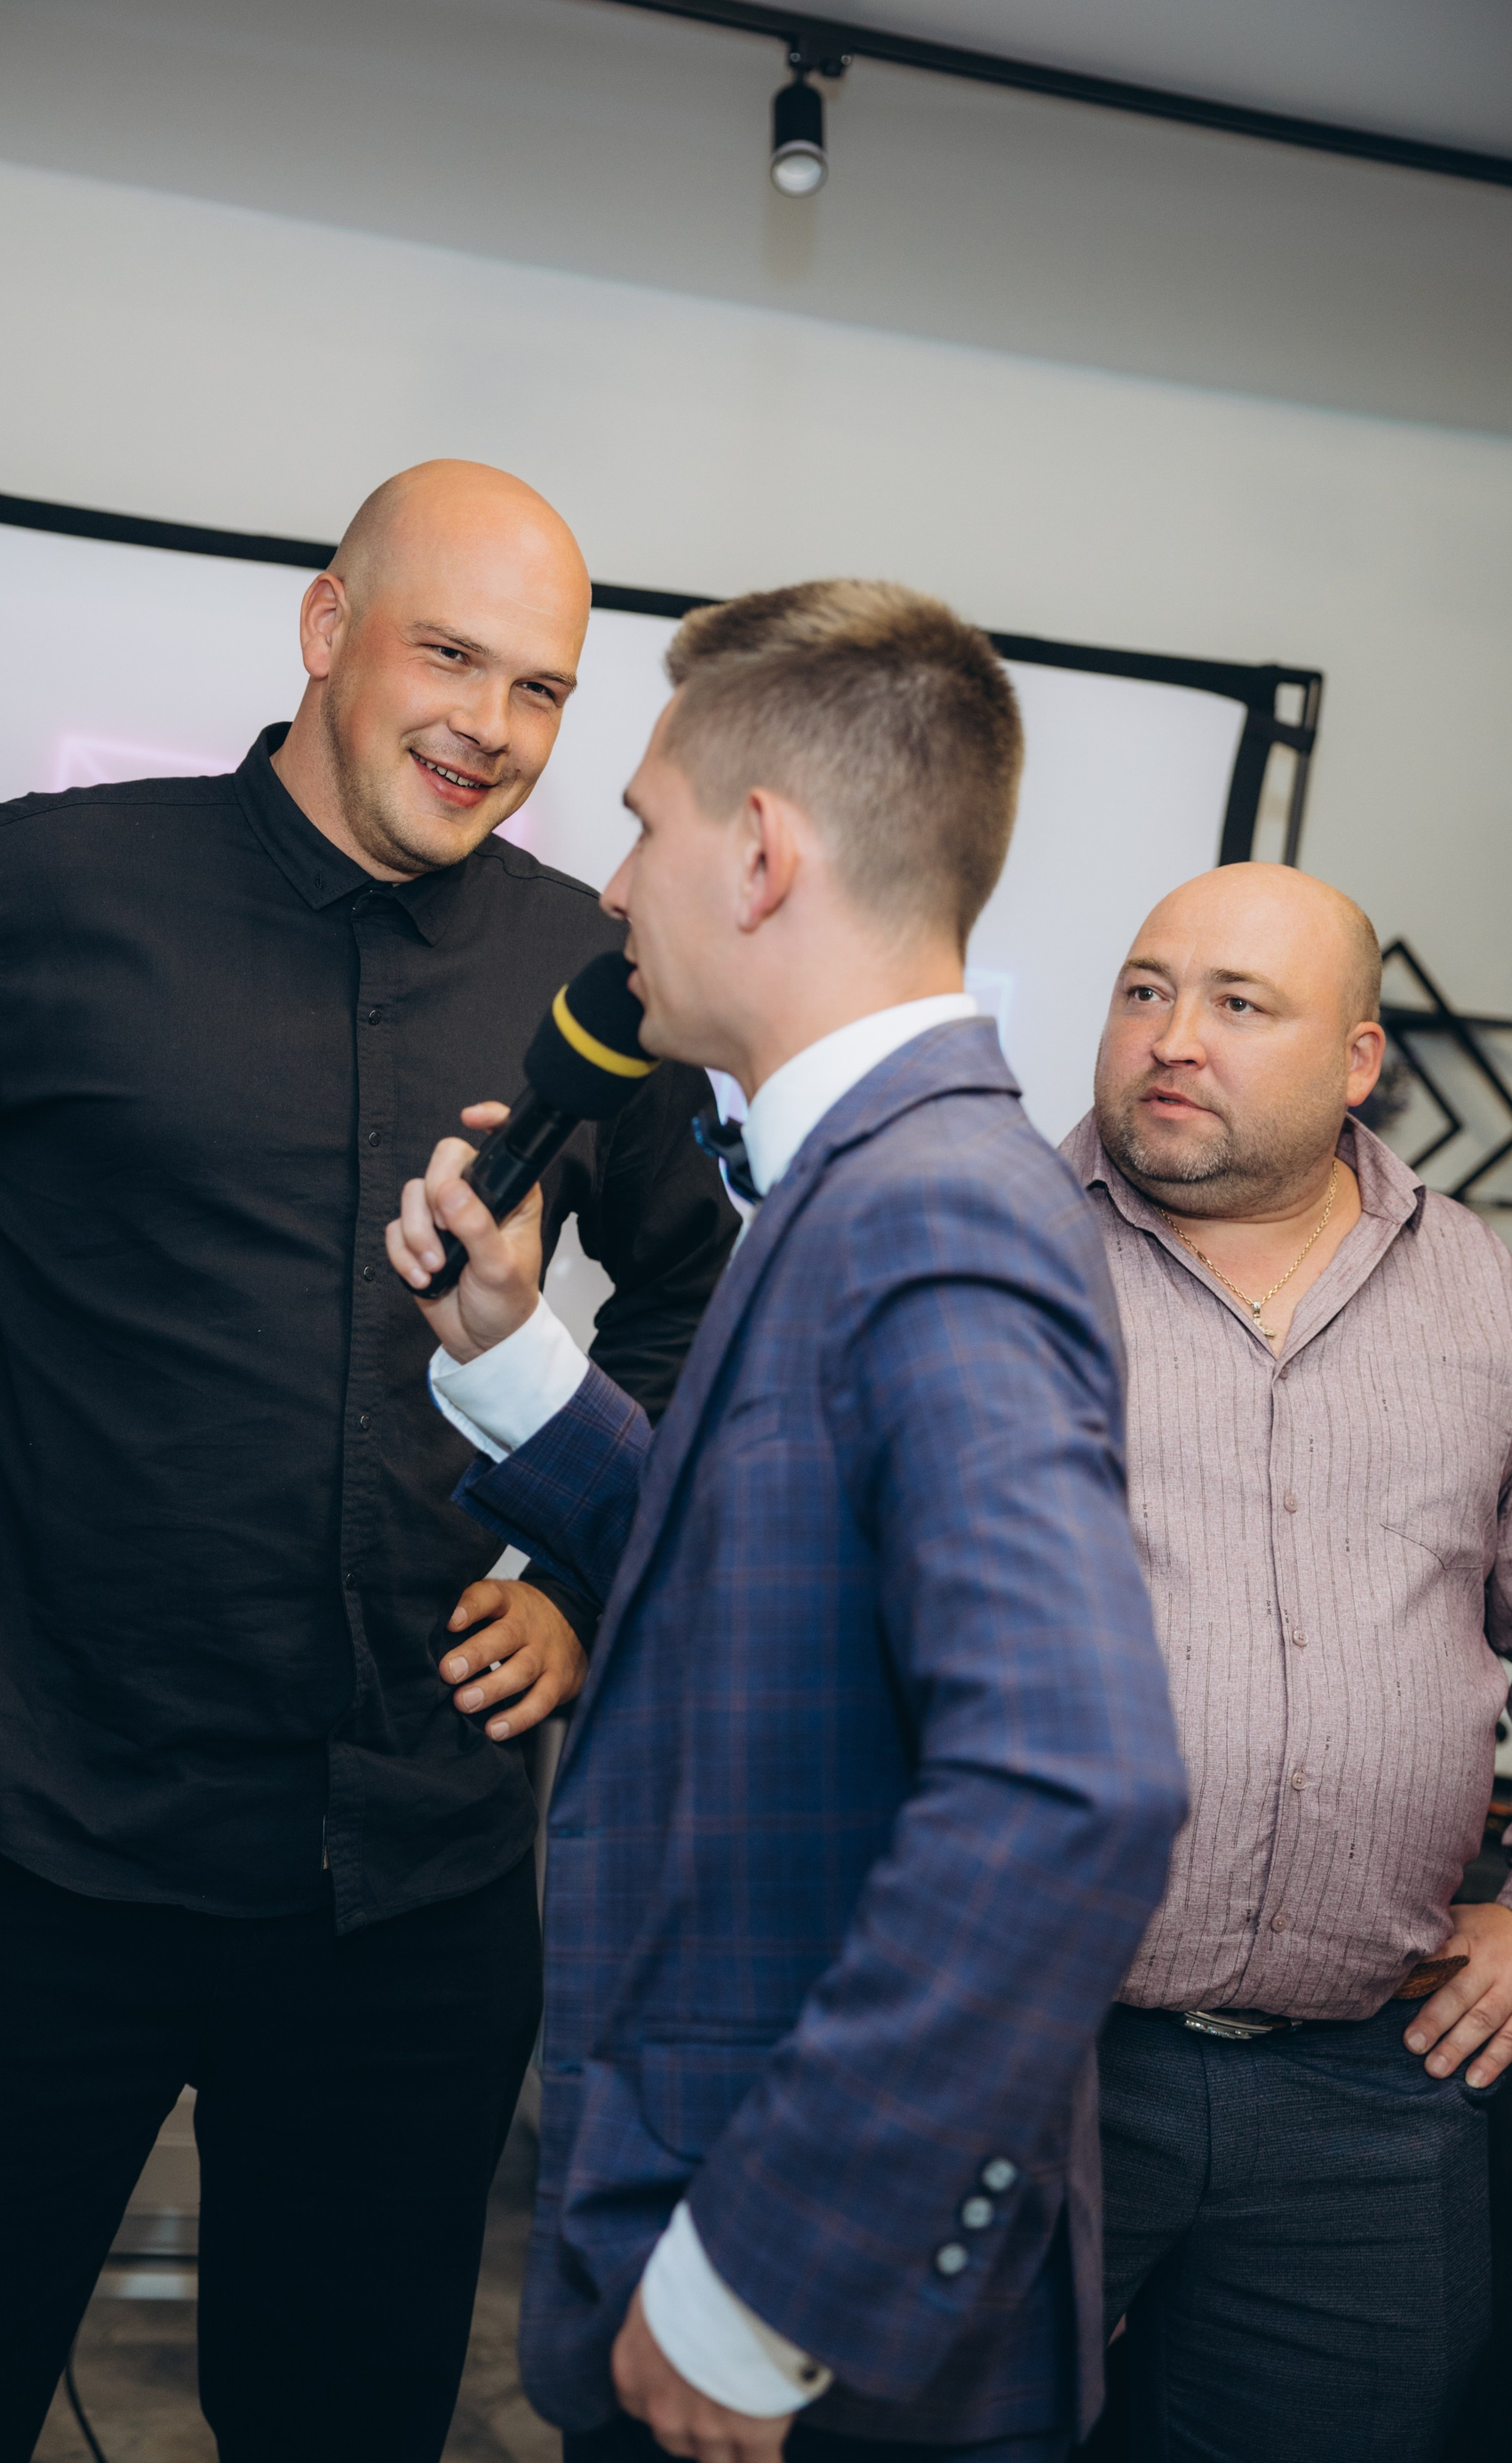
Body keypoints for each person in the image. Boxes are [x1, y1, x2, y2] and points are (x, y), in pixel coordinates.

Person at [0, 459, 738, 2463]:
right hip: (30, 1850)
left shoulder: (601, 976)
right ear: (327, 628)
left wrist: (580, 1578)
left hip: (413, 1897)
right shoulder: (34, 894)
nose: (492, 726)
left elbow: (701, 1303)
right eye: (449, 656)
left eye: (543, 689)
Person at [387, 581, 1189, 2463]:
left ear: (760, 856)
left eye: (643, 828)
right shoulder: (863, 1180)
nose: (611, 888)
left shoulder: (936, 1208)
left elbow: (1073, 1784)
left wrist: (769, 2279)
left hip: (795, 2309)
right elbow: (765, 1596)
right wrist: (516, 1361)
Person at [1065, 861, 1512, 2463]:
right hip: (1033, 2066)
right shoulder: (992, 1255)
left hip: (1369, 2100)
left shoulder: (1487, 1292)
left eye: (1240, 1004)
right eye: (1146, 989)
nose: (1173, 1036)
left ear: (1358, 1061)